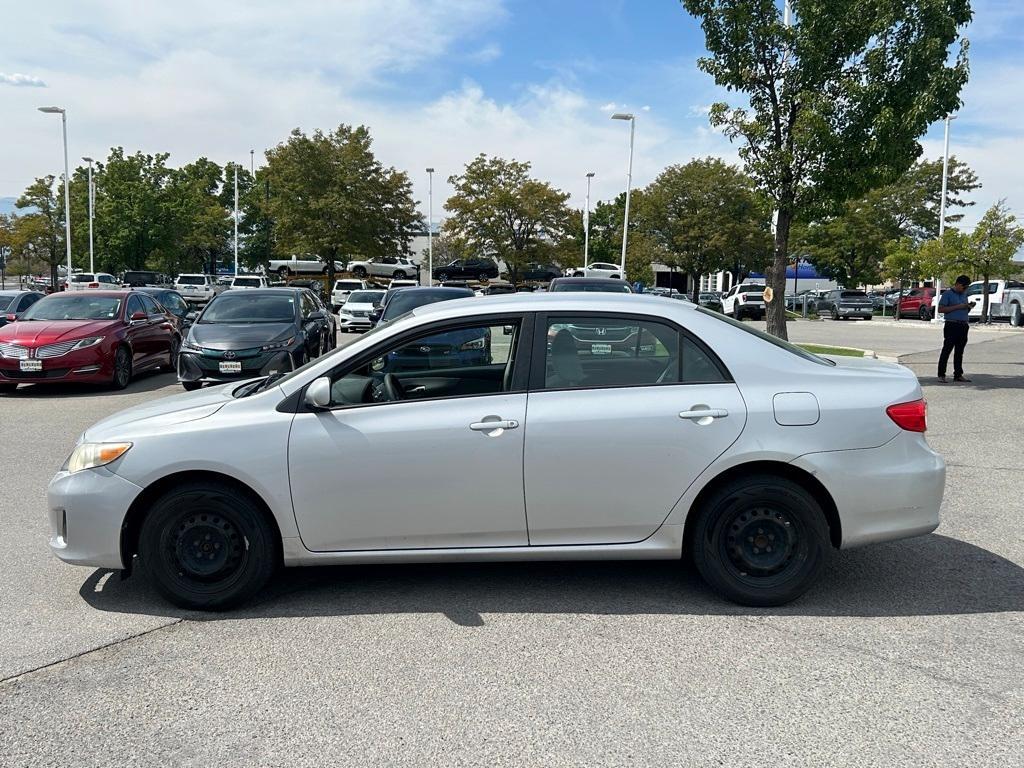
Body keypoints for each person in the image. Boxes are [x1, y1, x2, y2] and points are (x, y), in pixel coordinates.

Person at [937, 275, 973, 383]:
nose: (965, 289)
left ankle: (958, 374)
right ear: (957, 284)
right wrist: (958, 306)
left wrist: (968, 307)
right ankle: (941, 374)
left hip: (963, 325)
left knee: (959, 351)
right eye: (963, 287)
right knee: (947, 350)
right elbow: (940, 309)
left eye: (966, 287)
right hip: (952, 325)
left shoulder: (964, 295)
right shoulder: (948, 294)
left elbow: (964, 310)